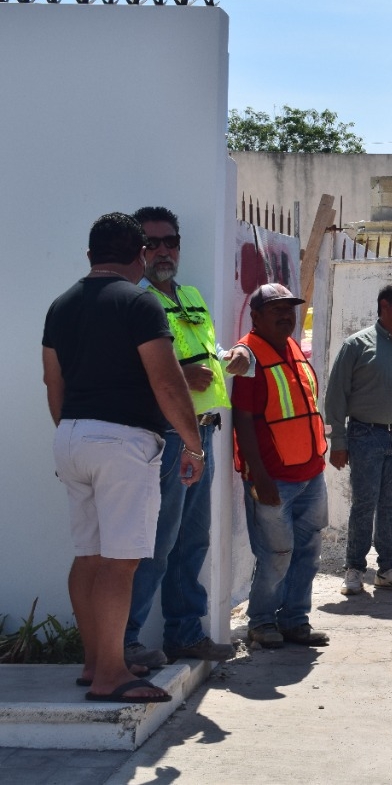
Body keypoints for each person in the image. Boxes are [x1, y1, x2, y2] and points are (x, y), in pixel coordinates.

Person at [42, 212, 205, 703]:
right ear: (138, 255)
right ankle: (113, 674)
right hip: (124, 443)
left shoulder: (61, 304)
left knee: (88, 556)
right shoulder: (140, 303)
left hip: (72, 435)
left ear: (90, 255)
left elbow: (54, 382)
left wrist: (73, 433)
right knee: (122, 562)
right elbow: (167, 380)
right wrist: (193, 443)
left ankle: (94, 662)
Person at [123, 207, 252, 669]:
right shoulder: (134, 300)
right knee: (157, 542)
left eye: (170, 241)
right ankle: (126, 643)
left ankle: (184, 634)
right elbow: (126, 372)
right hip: (166, 437)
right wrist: (180, 375)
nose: (162, 251)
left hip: (203, 434)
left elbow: (209, 352)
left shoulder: (190, 294)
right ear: (138, 250)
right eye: (151, 243)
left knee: (191, 541)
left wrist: (236, 355)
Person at [231, 283, 330, 649]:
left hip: (310, 475)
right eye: (277, 310)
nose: (286, 315)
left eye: (290, 309)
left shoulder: (291, 347)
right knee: (276, 554)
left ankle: (294, 620)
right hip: (275, 479)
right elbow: (243, 420)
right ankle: (261, 623)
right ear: (256, 317)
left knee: (307, 551)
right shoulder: (251, 354)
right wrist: (260, 476)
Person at [326, 281, 392, 596]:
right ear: (384, 306)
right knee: (364, 504)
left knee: (391, 506)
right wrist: (339, 441)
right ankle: (355, 569)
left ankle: (387, 570)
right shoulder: (357, 345)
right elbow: (336, 397)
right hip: (366, 435)